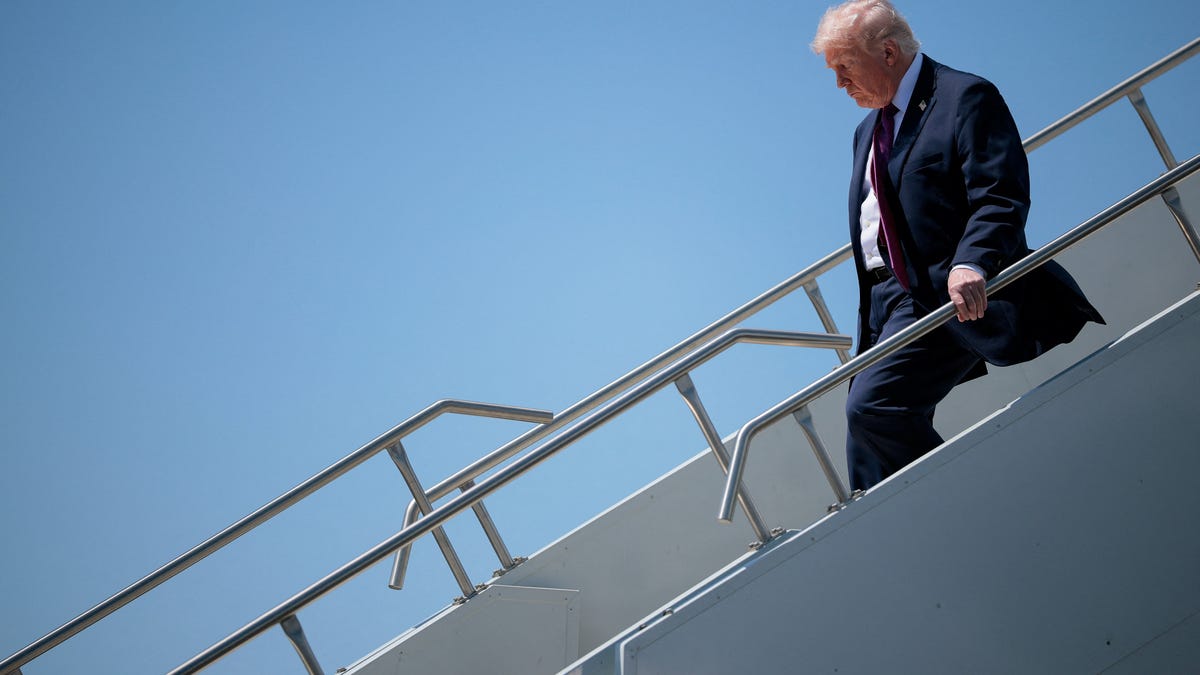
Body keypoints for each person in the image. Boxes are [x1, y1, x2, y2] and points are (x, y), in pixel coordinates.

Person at [810, 0, 1104, 491]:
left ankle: (963, 501)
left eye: (844, 68)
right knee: (864, 424)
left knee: (873, 406)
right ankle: (886, 526)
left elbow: (999, 193)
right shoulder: (867, 131)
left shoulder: (963, 96)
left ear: (887, 52)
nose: (839, 84)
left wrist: (973, 262)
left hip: (940, 291)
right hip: (881, 304)